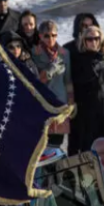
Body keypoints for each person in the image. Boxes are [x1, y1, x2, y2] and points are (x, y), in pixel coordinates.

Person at [67, 25, 104, 156]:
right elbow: (79, 81)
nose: (93, 42)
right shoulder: (78, 59)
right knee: (90, 148)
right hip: (87, 112)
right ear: (84, 41)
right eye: (89, 39)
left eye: (96, 38)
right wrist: (92, 64)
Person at [30, 20, 72, 148]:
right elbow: (34, 82)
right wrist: (50, 69)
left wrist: (71, 103)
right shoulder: (34, 54)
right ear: (40, 36)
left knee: (56, 145)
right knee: (41, 146)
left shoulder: (64, 54)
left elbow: (68, 80)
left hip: (60, 104)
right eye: (47, 35)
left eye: (54, 35)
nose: (51, 39)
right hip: (43, 105)